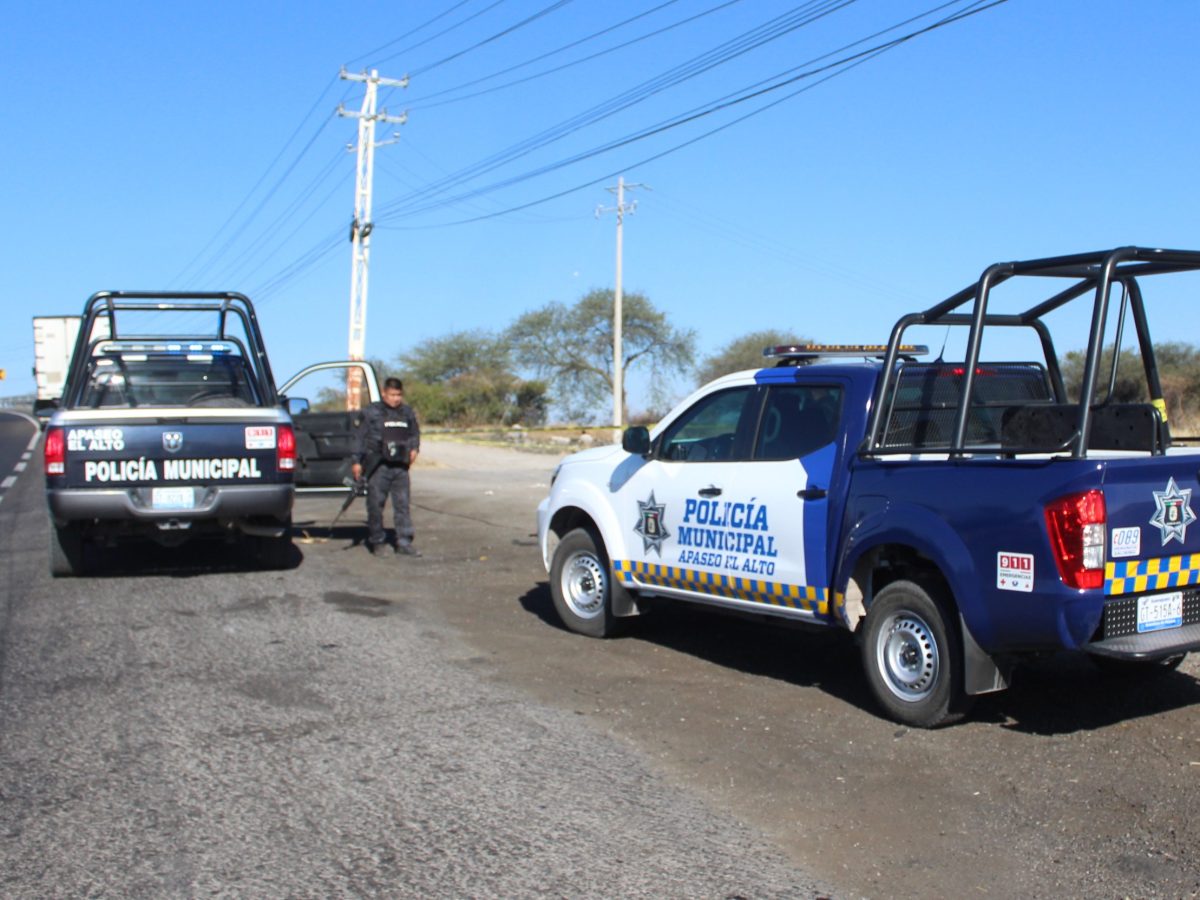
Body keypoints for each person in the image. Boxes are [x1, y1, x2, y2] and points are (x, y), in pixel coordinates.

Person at [350, 377, 422, 557]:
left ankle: (404, 542)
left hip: (400, 466)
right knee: (375, 504)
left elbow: (414, 433)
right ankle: (377, 541)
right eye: (392, 395)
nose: (396, 399)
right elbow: (359, 437)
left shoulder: (406, 412)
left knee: (402, 505)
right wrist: (356, 461)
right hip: (378, 465)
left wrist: (414, 449)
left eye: (399, 395)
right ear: (384, 393)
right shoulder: (371, 412)